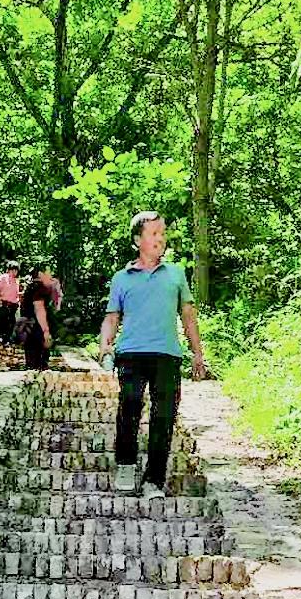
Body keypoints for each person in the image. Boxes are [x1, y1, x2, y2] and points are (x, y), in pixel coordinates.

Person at [97, 211, 206, 495]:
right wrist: (105, 344)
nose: (160, 239)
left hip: (167, 355)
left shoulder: (176, 274)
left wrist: (197, 353)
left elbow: (188, 316)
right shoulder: (122, 278)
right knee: (129, 406)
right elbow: (112, 316)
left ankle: (154, 479)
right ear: (138, 240)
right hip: (131, 354)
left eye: (163, 233)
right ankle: (125, 464)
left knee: (164, 417)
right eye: (154, 233)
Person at [18, 266, 58, 371]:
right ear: (41, 274)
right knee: (39, 362)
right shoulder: (39, 288)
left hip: (28, 326)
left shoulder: (31, 286)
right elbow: (39, 309)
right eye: (48, 273)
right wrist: (46, 331)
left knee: (31, 361)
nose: (50, 276)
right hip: (36, 328)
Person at [0, 262, 21, 344]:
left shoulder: (16, 280)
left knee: (11, 322)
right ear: (9, 270)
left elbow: (16, 293)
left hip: (13, 304)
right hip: (4, 303)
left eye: (16, 270)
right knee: (3, 321)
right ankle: (1, 337)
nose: (14, 272)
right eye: (13, 270)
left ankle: (8, 338)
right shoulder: (3, 277)